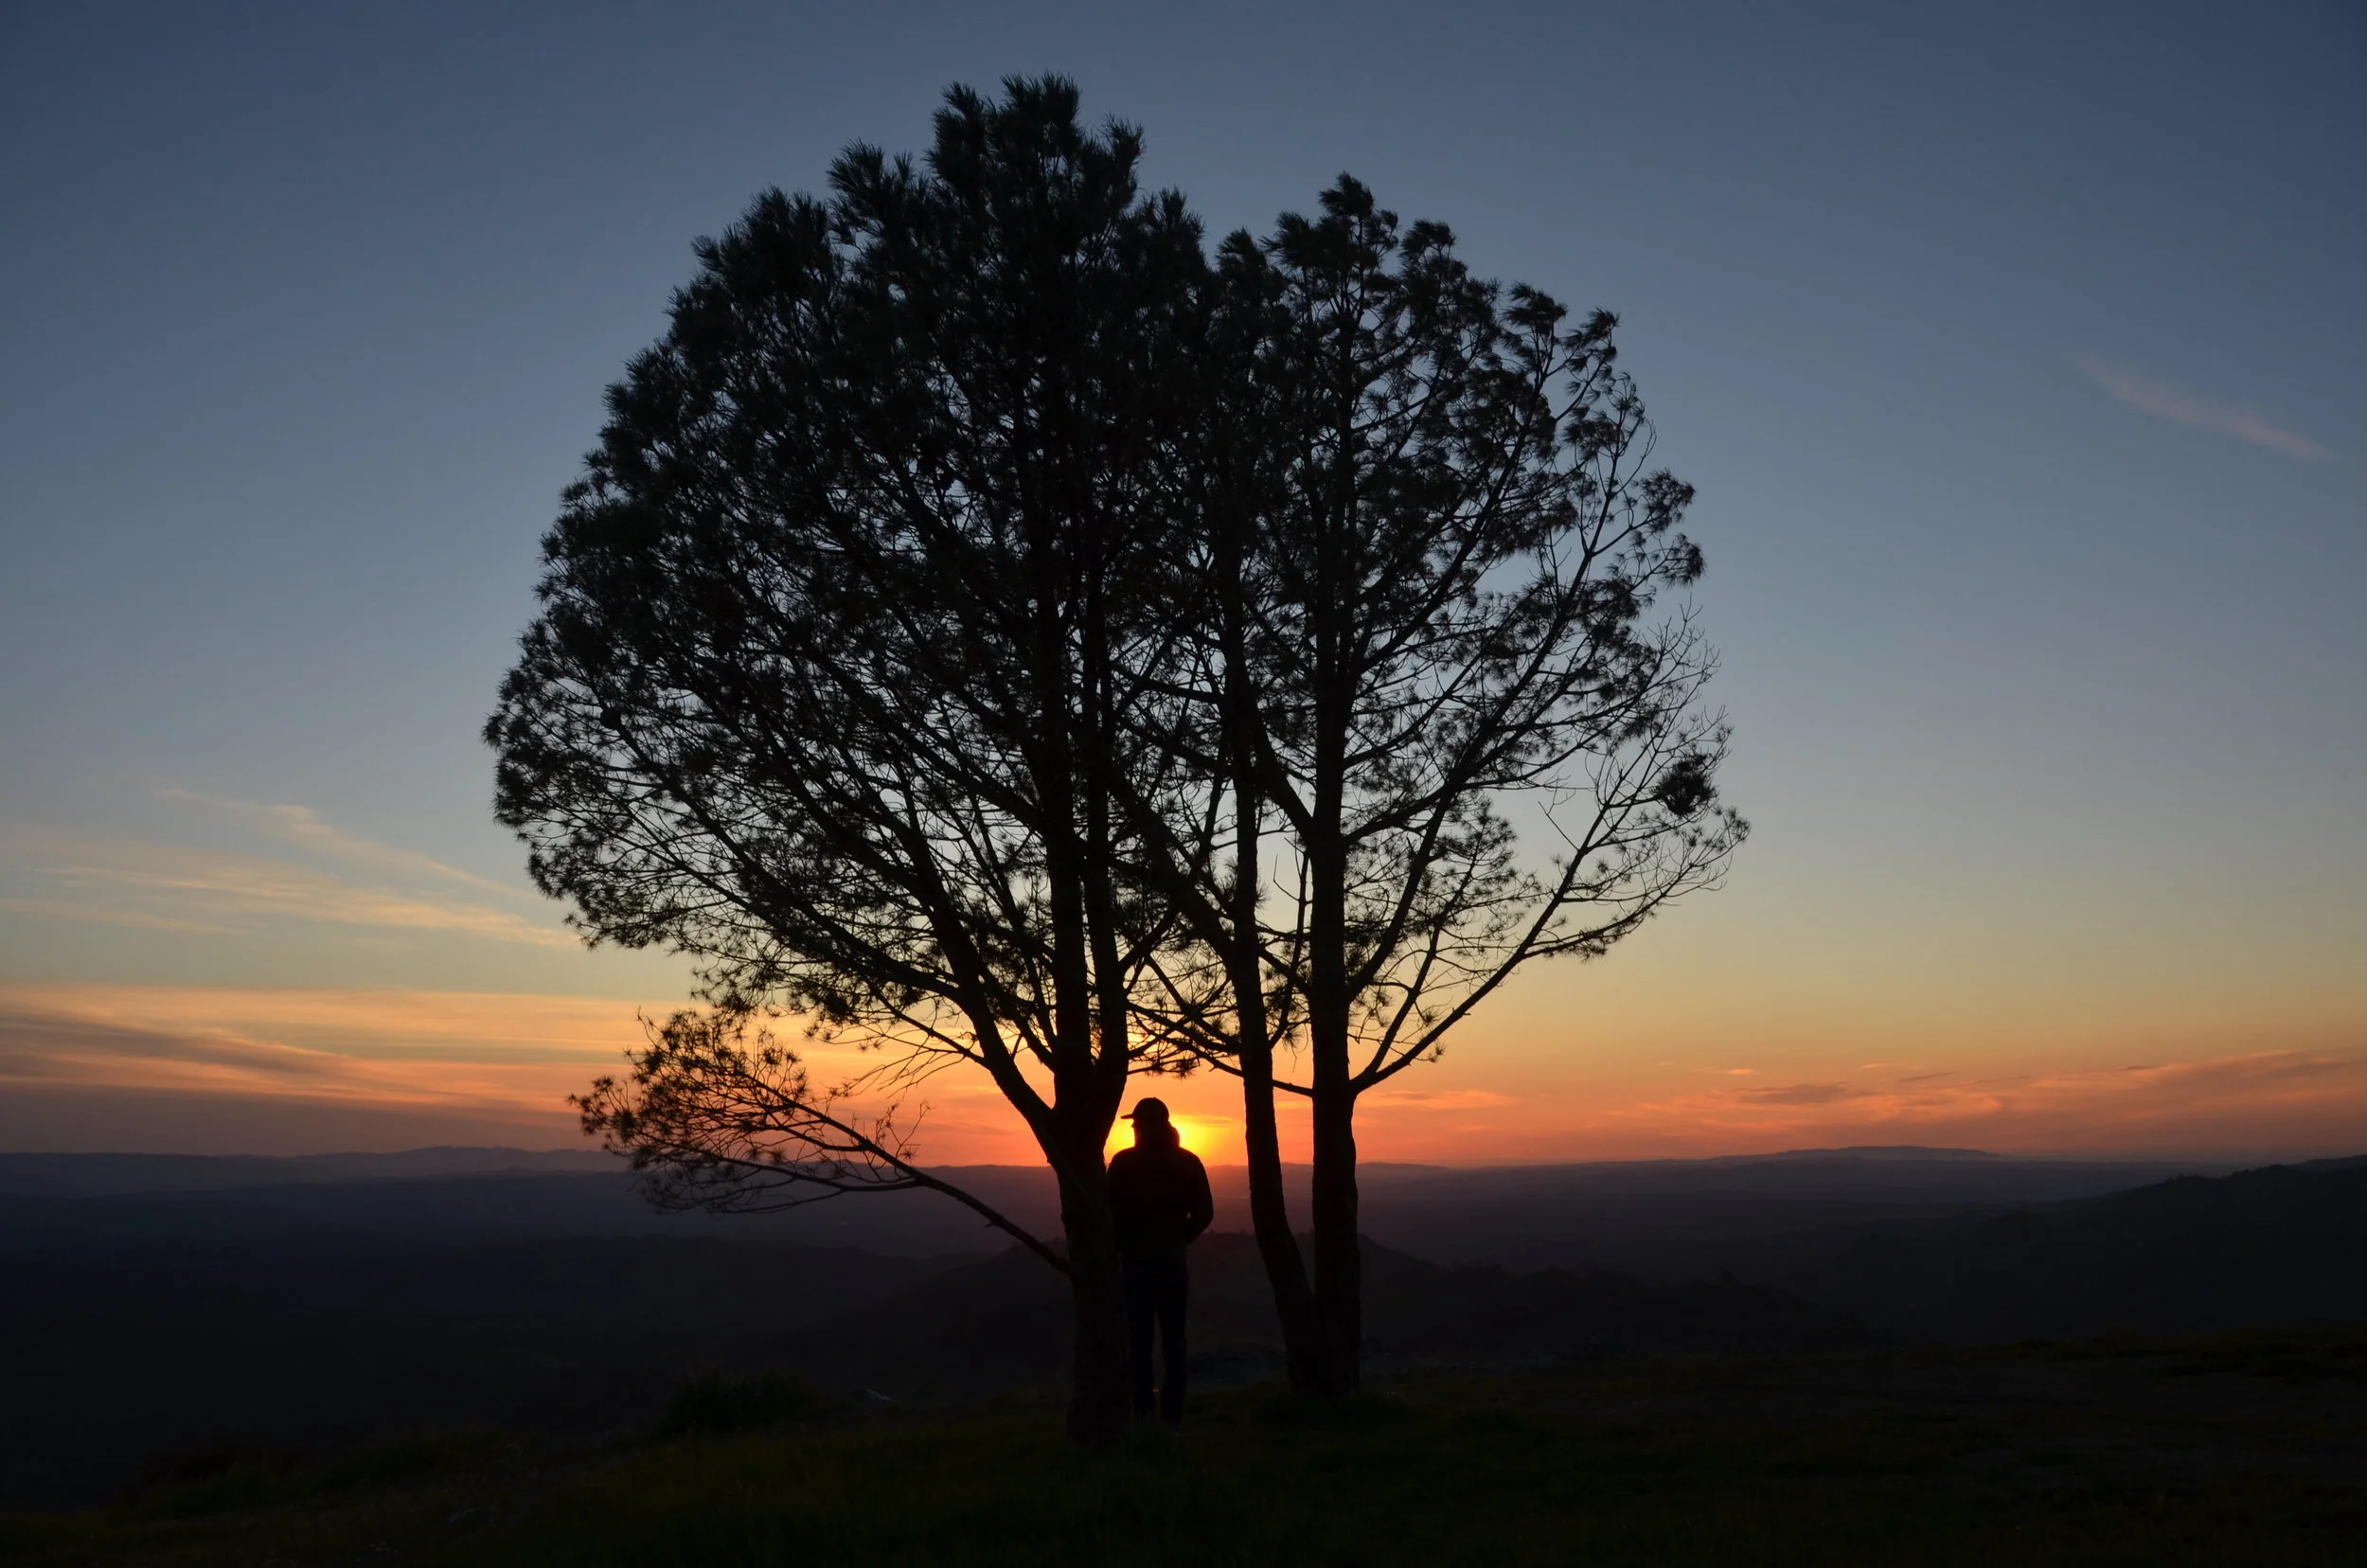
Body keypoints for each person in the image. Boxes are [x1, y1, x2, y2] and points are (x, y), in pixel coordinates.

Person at [1106, 1096, 1214, 1428]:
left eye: (1137, 1123)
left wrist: (1122, 1243)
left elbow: (1107, 1213)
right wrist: (1180, 1240)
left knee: (1139, 1344)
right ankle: (1171, 1418)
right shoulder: (1188, 1161)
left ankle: (1142, 1415)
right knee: (1173, 1341)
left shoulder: (1123, 1163)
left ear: (1148, 1125)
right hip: (1171, 1264)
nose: (1134, 1128)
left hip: (1136, 1265)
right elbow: (1205, 1213)